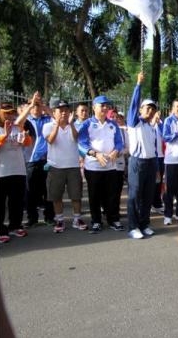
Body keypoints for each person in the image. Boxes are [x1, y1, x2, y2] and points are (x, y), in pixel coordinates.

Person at [77, 95, 124, 234]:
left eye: (106, 105)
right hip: (93, 167)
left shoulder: (113, 124)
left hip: (111, 166)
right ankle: (96, 221)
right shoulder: (87, 124)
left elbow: (119, 142)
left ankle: (113, 220)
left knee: (112, 195)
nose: (104, 108)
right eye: (101, 105)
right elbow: (81, 144)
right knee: (94, 196)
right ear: (94, 107)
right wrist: (96, 154)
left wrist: (116, 150)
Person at [42, 99, 86, 232]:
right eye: (60, 111)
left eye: (66, 111)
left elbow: (76, 138)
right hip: (56, 167)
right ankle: (59, 220)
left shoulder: (75, 125)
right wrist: (56, 125)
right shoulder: (47, 126)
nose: (64, 113)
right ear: (54, 113)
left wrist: (71, 124)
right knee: (56, 196)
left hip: (73, 166)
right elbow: (50, 140)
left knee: (76, 195)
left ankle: (77, 219)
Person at [124, 72, 159, 239]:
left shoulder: (151, 127)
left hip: (151, 163)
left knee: (147, 196)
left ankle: (145, 224)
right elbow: (132, 105)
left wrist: (157, 168)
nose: (150, 110)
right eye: (147, 107)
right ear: (141, 109)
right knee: (134, 196)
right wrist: (138, 84)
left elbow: (154, 149)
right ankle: (133, 227)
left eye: (153, 108)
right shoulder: (134, 122)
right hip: (137, 163)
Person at [16, 92, 54, 227]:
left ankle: (50, 217)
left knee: (48, 190)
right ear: (30, 106)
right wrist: (31, 104)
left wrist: (43, 105)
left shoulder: (47, 119)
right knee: (31, 191)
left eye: (38, 105)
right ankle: (32, 218)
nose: (36, 108)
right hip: (31, 160)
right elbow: (18, 122)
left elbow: (57, 117)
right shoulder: (27, 121)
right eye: (34, 105)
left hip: (48, 159)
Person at [0, 102, 31, 243]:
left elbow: (27, 143)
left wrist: (25, 139)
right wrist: (5, 135)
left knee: (16, 201)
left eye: (11, 113)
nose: (9, 115)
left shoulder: (17, 127)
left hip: (18, 170)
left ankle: (15, 225)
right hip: (1, 172)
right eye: (6, 113)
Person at [106, 109, 128, 225]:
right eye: (112, 117)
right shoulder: (105, 130)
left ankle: (115, 213)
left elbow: (127, 147)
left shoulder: (123, 131)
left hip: (118, 165)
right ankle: (107, 211)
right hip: (105, 165)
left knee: (116, 191)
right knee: (107, 191)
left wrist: (120, 152)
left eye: (116, 117)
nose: (114, 119)